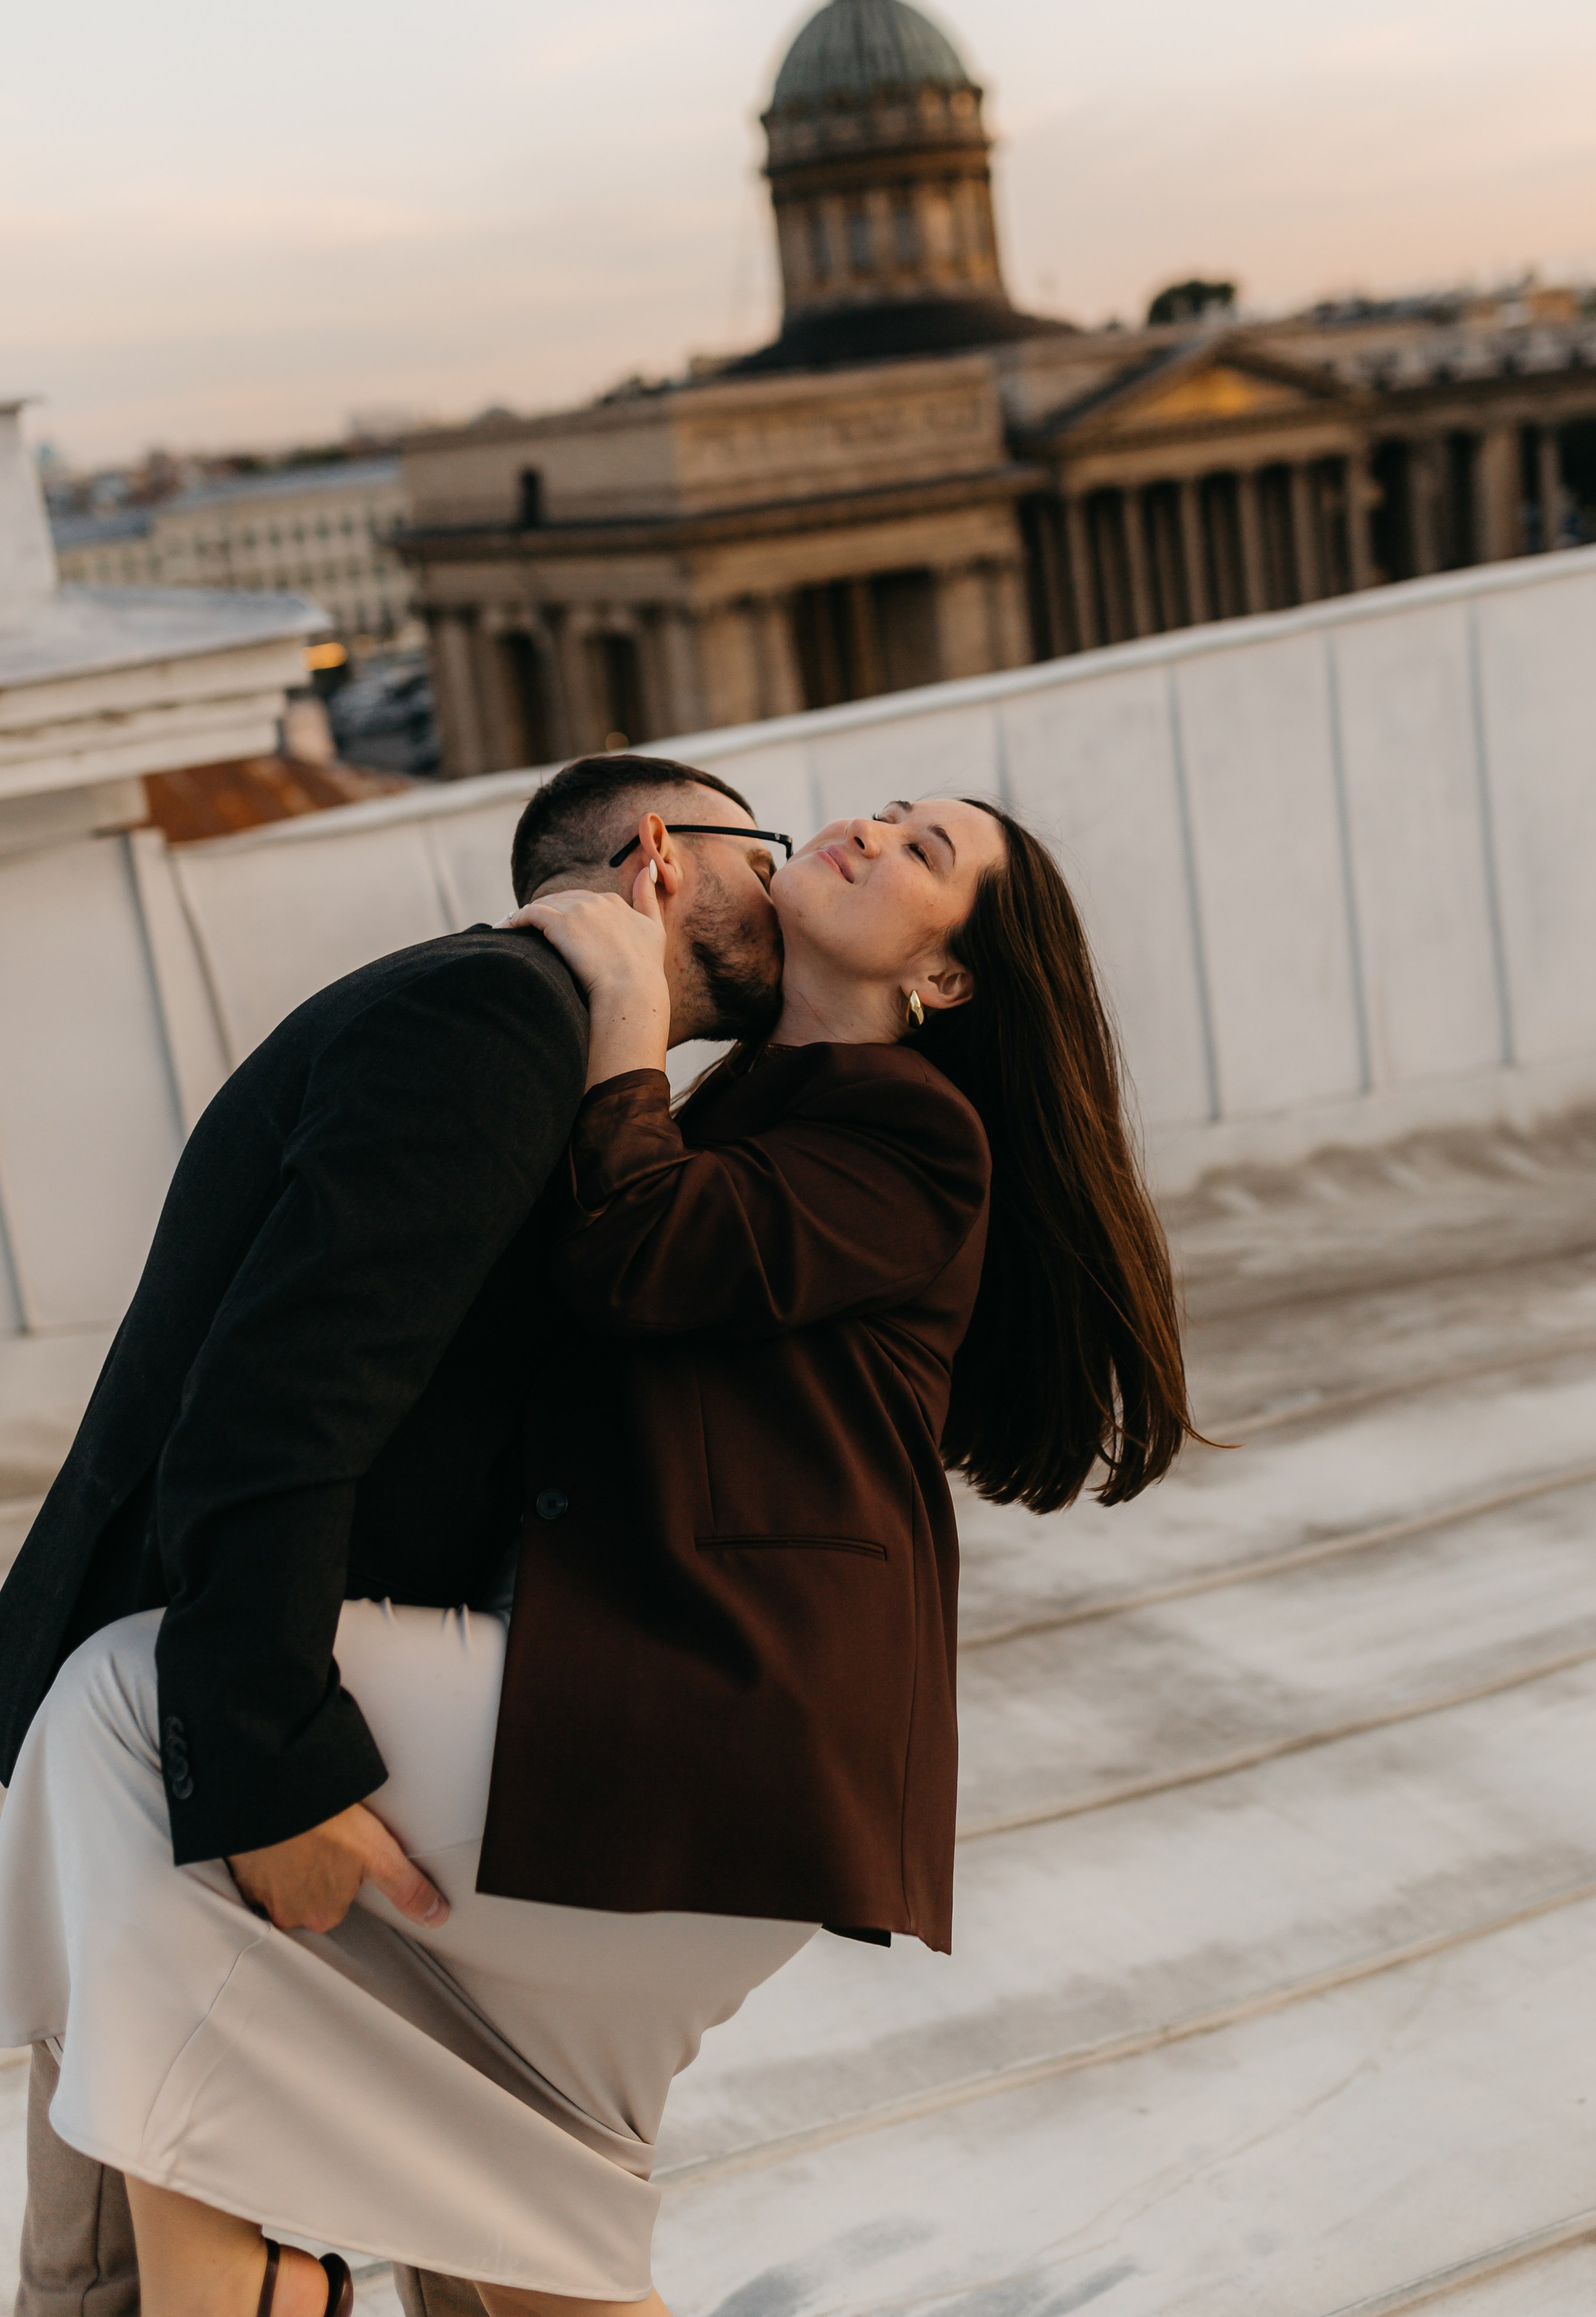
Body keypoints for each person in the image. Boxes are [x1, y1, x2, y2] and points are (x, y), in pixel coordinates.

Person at [0, 794, 1193, 2317]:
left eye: (923, 852)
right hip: (637, 1710)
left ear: (944, 980)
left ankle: (234, 2283)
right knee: (503, 2208)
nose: (865, 831)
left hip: (724, 1724)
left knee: (135, 1701)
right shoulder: (745, 1105)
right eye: (879, 808)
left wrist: (624, 1009)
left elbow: (644, 1254)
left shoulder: (913, 1127)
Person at [0, 752, 787, 2317]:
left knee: (139, 2247)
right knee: (119, 2269)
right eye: (757, 848)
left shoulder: (516, 1025)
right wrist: (268, 1755)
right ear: (659, 856)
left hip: (209, 1694)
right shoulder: (489, 1018)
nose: (778, 881)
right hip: (199, 1715)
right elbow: (284, 1396)